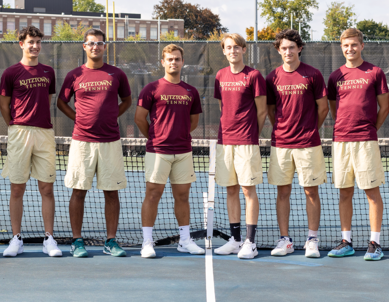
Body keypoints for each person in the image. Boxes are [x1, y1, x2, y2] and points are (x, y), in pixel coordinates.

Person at [58, 29, 132, 258]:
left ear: (104, 47)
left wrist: (111, 117)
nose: (95, 47)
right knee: (79, 191)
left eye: (99, 43)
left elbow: (127, 100)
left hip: (110, 141)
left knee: (111, 192)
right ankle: (77, 241)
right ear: (84, 46)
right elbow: (61, 102)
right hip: (82, 141)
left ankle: (111, 241)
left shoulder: (116, 74)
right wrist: (78, 119)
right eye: (91, 43)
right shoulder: (74, 75)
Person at [135, 44, 204, 258]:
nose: (174, 62)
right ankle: (147, 242)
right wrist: (156, 137)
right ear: (163, 62)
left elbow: (193, 122)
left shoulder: (191, 91)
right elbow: (139, 118)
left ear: (182, 62)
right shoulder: (151, 88)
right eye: (170, 59)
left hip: (183, 151)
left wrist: (178, 135)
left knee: (182, 196)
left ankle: (185, 241)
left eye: (177, 59)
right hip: (158, 151)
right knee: (152, 195)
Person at [326, 29, 389, 261]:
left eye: (354, 44)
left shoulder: (376, 72)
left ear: (362, 46)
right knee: (345, 192)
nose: (350, 49)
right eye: (346, 45)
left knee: (372, 192)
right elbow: (334, 108)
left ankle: (375, 243)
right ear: (341, 47)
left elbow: (385, 107)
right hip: (341, 141)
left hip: (366, 141)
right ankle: (347, 242)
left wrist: (371, 128)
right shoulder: (335, 76)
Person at [265, 29, 328, 258]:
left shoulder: (313, 74)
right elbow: (271, 110)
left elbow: (323, 108)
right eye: (284, 48)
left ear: (299, 48)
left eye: (292, 47)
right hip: (281, 144)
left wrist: (310, 129)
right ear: (278, 50)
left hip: (308, 144)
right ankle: (285, 240)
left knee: (311, 191)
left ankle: (312, 239)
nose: (288, 51)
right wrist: (282, 130)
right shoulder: (272, 77)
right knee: (283, 192)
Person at [0, 25, 62, 257]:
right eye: (30, 42)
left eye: (38, 42)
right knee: (17, 188)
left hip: (44, 134)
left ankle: (49, 239)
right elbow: (4, 105)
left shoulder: (48, 72)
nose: (35, 46)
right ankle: (16, 239)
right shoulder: (10, 73)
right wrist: (15, 126)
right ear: (21, 44)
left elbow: (48, 98)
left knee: (47, 188)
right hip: (19, 133)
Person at [213, 33, 267, 259]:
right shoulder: (220, 75)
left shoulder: (254, 76)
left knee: (248, 190)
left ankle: (250, 243)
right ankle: (235, 241)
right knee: (231, 189)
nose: (233, 51)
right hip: (225, 142)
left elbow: (262, 111)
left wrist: (252, 133)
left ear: (244, 50)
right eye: (229, 47)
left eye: (237, 47)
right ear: (224, 51)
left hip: (246, 142)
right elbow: (222, 107)